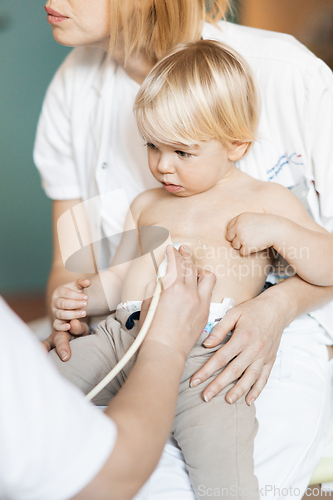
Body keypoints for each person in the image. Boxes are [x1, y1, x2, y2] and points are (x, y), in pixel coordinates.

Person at [35, 1, 333, 498]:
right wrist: (76, 302)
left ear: (236, 145)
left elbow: (328, 261)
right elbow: (113, 276)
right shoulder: (147, 203)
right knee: (33, 390)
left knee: (224, 469)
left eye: (181, 152)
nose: (162, 167)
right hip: (120, 336)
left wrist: (282, 240)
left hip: (208, 356)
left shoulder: (266, 200)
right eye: (152, 147)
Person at [0, 247, 217, 500]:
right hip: (120, 336)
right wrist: (166, 344)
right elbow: (112, 478)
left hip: (206, 351)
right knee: (55, 367)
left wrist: (274, 302)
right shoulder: (145, 208)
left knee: (224, 467)